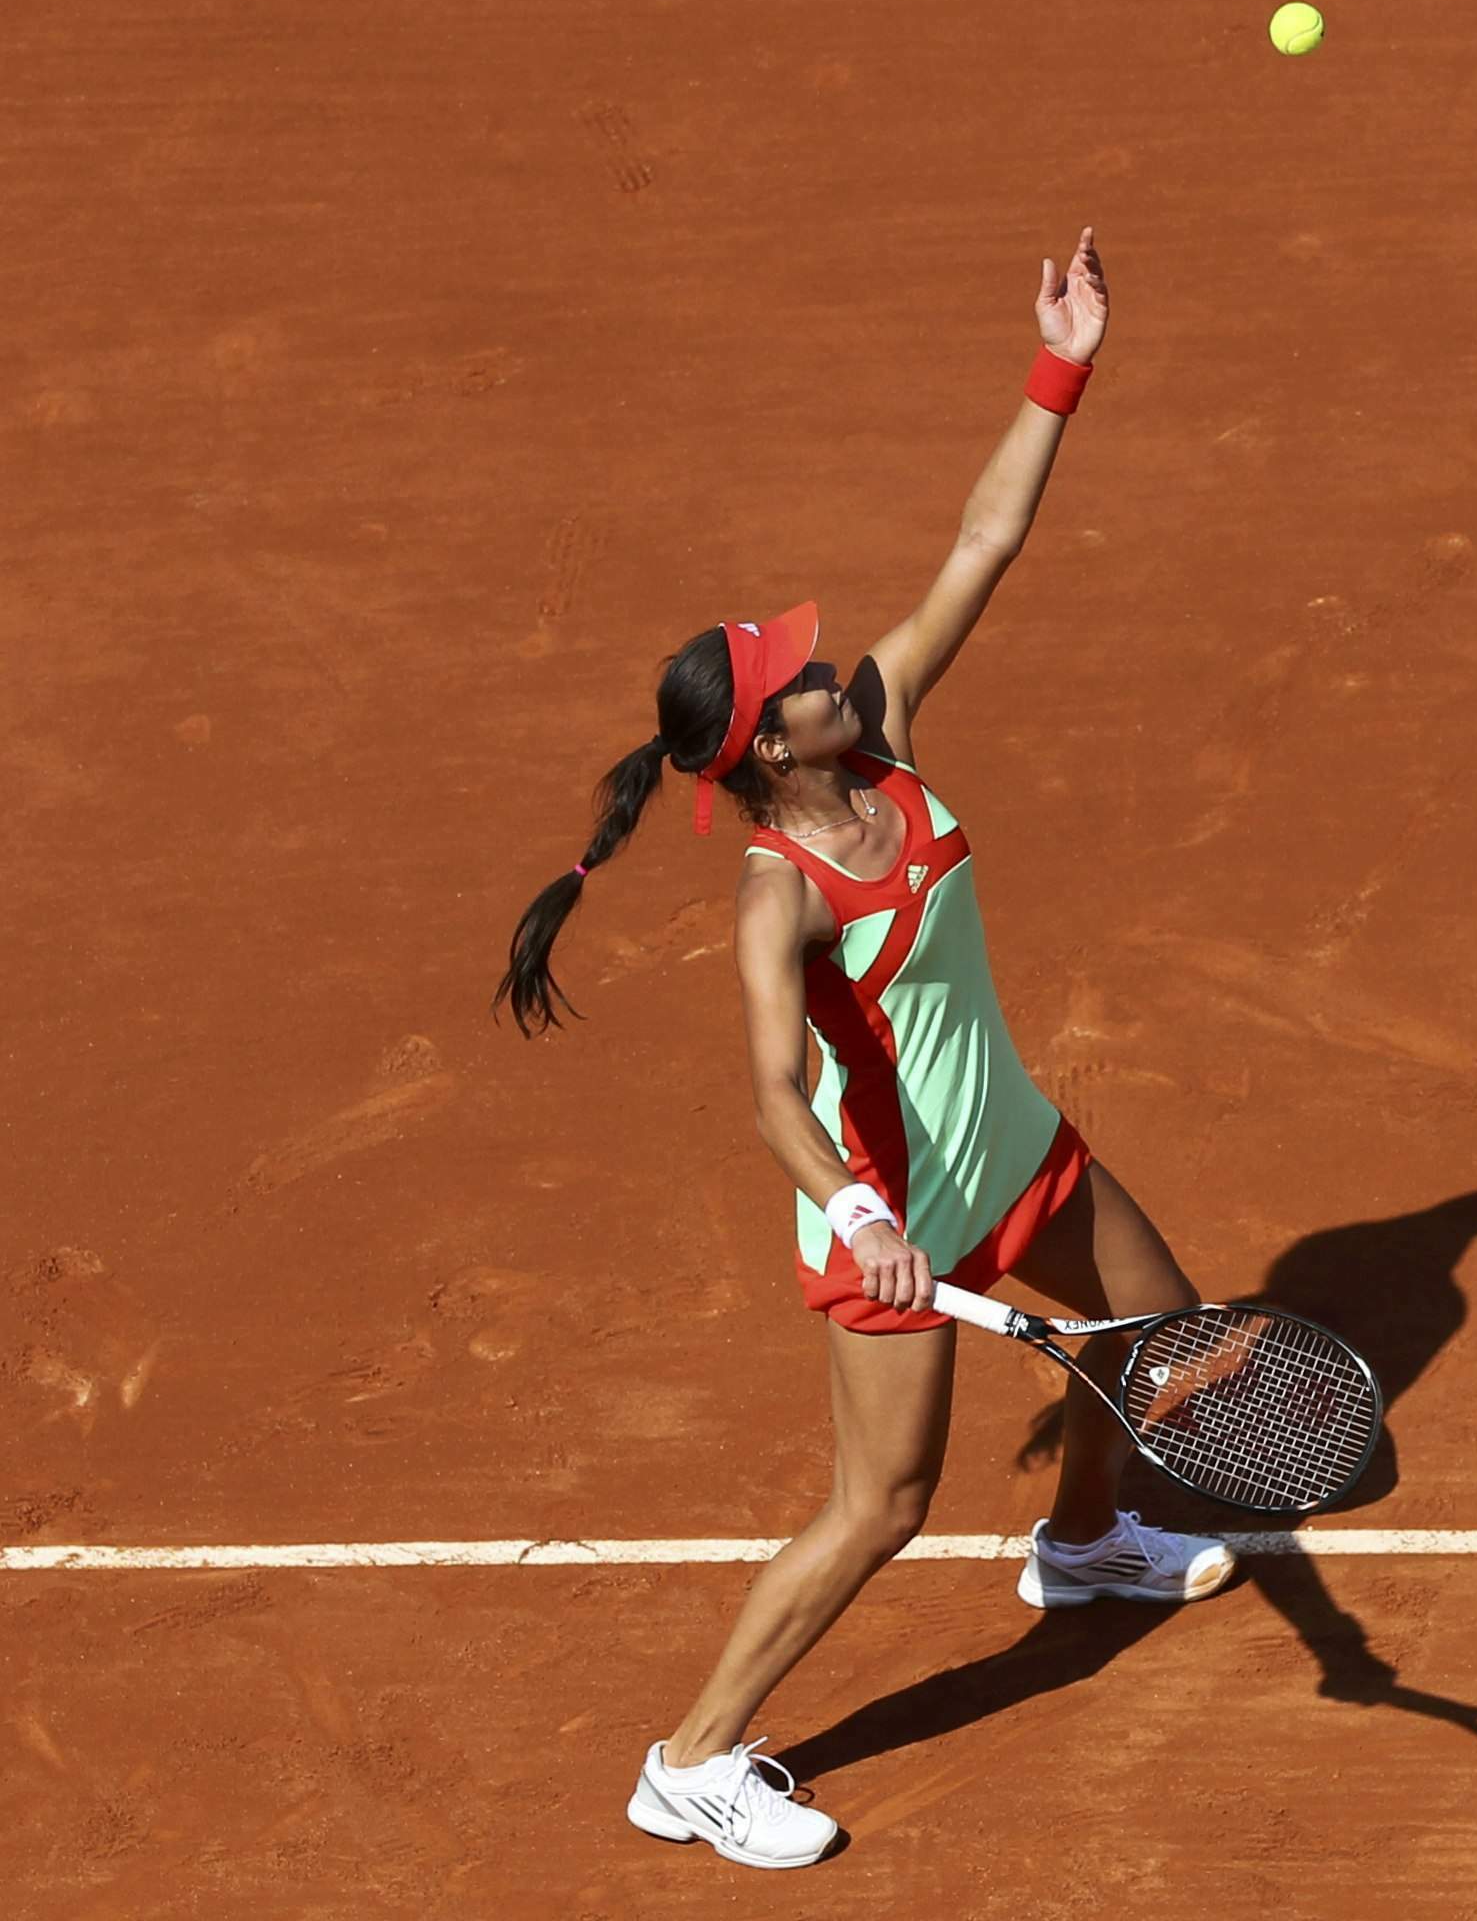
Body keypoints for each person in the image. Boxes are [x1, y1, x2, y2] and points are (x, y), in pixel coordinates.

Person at [496, 232, 1234, 1870]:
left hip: (1013, 1147)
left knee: (1153, 1331)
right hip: (886, 1211)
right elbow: (771, 1089)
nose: (829, 666)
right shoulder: (779, 894)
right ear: (768, 746)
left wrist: (1062, 367)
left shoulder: (887, 734)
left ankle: (1084, 1540)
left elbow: (985, 540)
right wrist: (858, 1213)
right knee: (881, 1507)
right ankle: (690, 1761)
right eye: (798, 678)